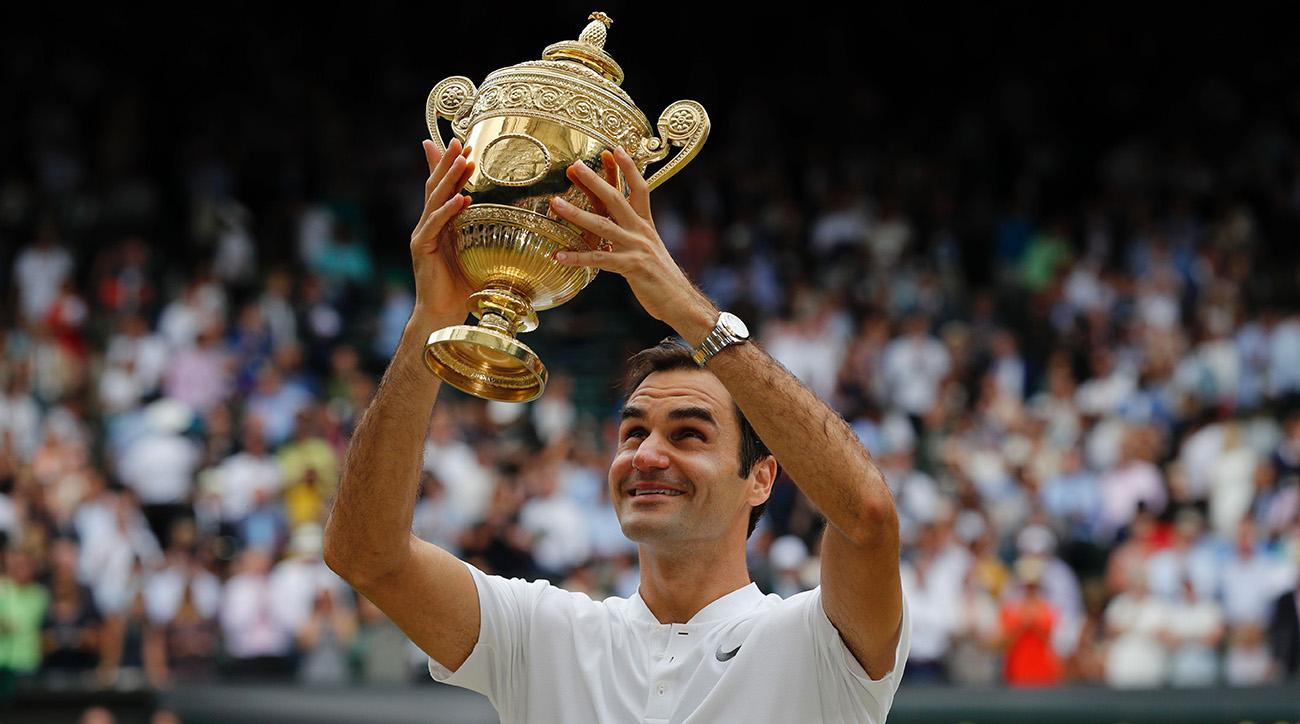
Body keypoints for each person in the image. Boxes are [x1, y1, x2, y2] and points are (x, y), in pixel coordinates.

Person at [324, 139, 909, 723]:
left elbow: (867, 517)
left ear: (761, 478)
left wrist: (688, 308)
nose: (648, 455)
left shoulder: (819, 641)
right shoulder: (540, 633)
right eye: (633, 433)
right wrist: (431, 321)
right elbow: (367, 556)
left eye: (689, 435)